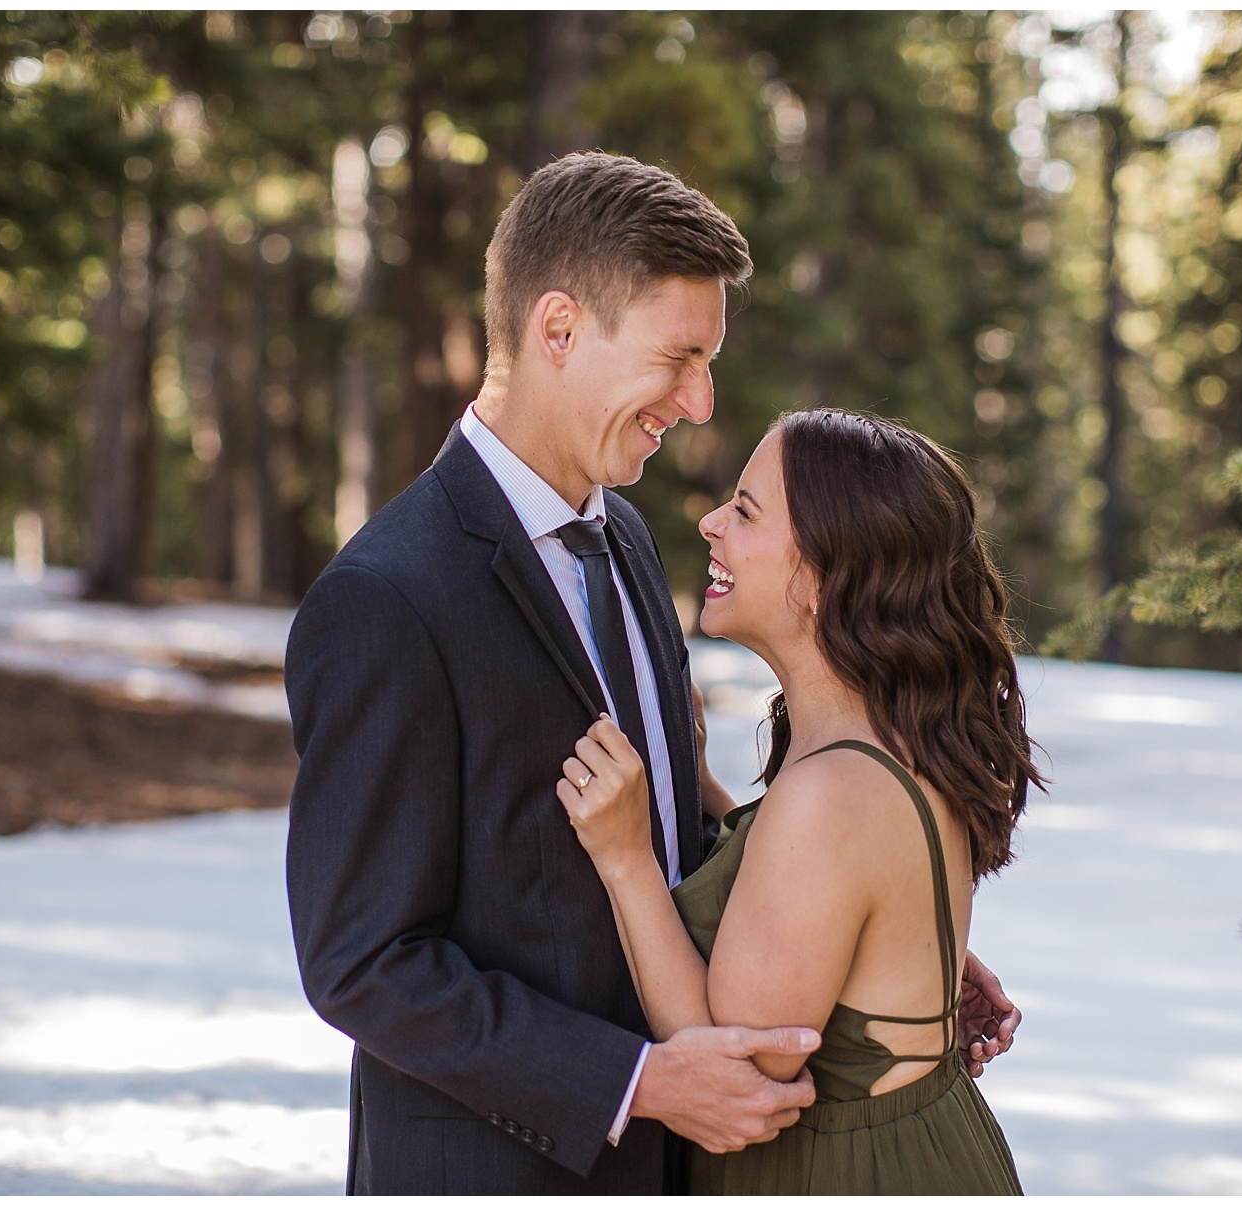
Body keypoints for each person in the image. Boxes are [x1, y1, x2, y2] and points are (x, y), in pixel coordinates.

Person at [284, 153, 1020, 1194]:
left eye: (709, 361)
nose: (702, 401)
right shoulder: (388, 600)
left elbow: (671, 826)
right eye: (679, 357)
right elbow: (362, 962)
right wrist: (635, 1081)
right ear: (559, 330)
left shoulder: (622, 541)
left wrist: (870, 953)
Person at [555, 408, 1039, 1193]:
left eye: (745, 511)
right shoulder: (900, 731)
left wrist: (624, 858)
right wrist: (703, 784)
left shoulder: (828, 794)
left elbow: (743, 1067)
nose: (711, 523)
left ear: (822, 576)